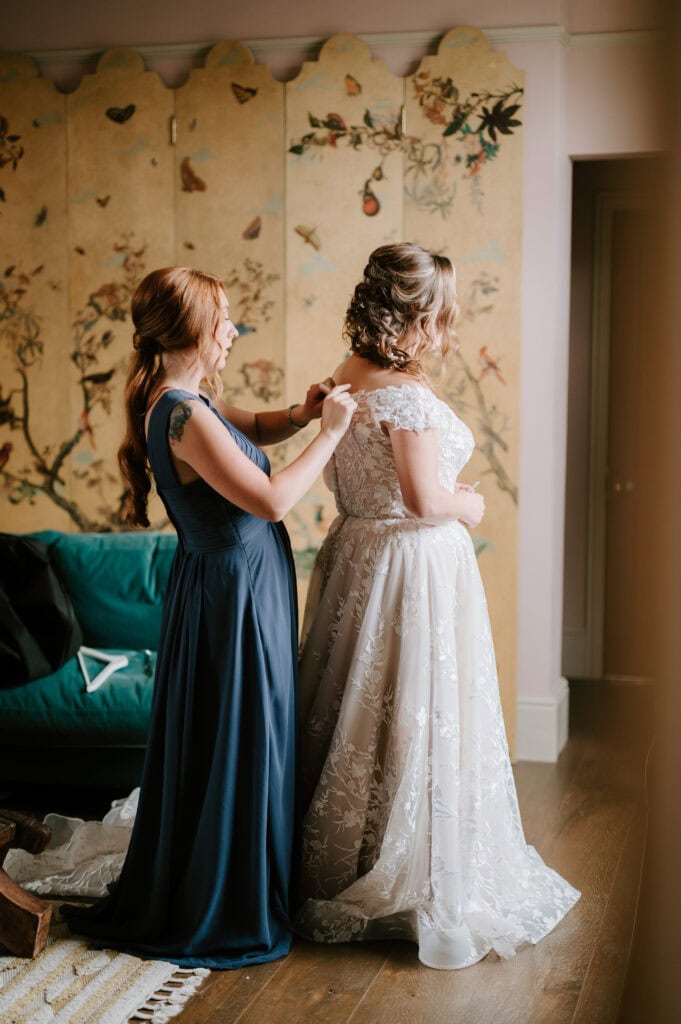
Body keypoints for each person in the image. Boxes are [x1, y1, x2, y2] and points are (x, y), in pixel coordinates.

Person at [293, 243, 580, 970]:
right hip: (410, 565)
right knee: (410, 712)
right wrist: (473, 504)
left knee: (356, 708)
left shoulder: (345, 376)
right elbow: (424, 499)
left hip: (356, 551)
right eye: (442, 313)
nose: (446, 327)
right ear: (419, 313)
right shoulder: (408, 398)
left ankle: (336, 853)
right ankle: (408, 875)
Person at [63, 266, 356, 969]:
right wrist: (333, 434)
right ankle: (223, 902)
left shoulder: (188, 401)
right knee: (240, 738)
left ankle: (229, 882)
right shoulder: (182, 414)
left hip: (234, 587)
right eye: (223, 319)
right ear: (191, 327)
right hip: (231, 598)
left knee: (242, 736)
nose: (231, 330)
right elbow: (270, 500)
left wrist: (301, 412)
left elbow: (250, 426)